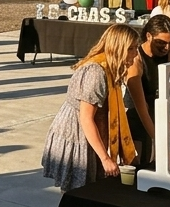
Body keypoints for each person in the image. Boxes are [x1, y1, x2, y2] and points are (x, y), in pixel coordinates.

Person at [42, 23, 139, 191]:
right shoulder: (96, 73)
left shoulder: (111, 67)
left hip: (91, 128)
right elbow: (86, 119)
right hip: (78, 131)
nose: (136, 53)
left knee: (91, 188)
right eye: (131, 48)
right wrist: (105, 158)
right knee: (79, 190)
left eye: (136, 48)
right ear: (118, 48)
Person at [124, 14, 170, 163]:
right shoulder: (136, 60)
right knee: (138, 165)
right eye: (161, 42)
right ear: (148, 36)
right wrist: (157, 140)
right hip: (136, 115)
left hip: (158, 112)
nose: (166, 47)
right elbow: (141, 107)